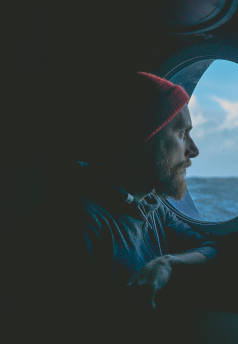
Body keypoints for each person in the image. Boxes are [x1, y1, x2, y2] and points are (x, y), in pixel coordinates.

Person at [43, 72, 217, 343]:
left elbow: (210, 248)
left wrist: (167, 263)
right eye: (182, 133)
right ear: (144, 138)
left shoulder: (150, 205)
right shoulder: (80, 222)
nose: (193, 150)